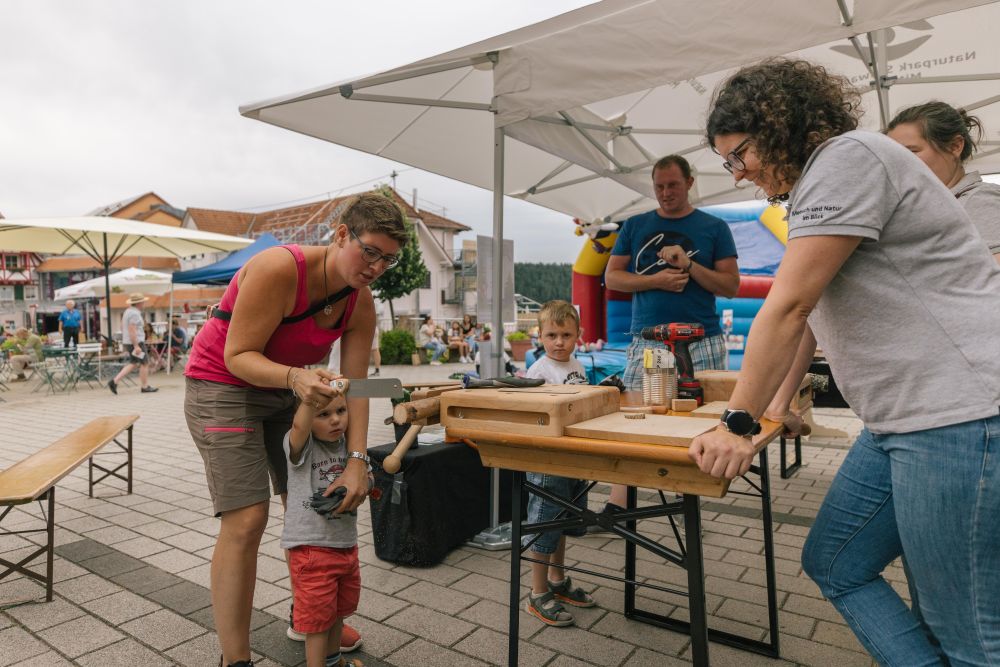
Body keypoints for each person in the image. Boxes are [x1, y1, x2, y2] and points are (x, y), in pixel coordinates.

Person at [691, 58, 1000, 665]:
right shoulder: (822, 185)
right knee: (835, 560)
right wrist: (776, 409)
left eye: (741, 153)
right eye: (727, 162)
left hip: (954, 414)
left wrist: (737, 421)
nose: (739, 171)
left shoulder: (848, 158)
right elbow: (811, 311)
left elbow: (788, 305)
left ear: (782, 125)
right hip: (898, 420)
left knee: (967, 632)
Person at [183, 193, 407, 667]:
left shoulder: (359, 302)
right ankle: (235, 658)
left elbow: (359, 386)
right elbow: (238, 355)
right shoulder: (279, 269)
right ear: (342, 234)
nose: (377, 266)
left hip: (291, 388)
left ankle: (311, 616)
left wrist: (356, 462)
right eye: (370, 251)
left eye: (389, 258)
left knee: (315, 506)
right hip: (223, 384)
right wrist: (293, 376)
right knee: (247, 519)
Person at [602, 154, 740, 514]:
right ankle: (620, 502)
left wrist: (690, 265)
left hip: (702, 339)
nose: (665, 193)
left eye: (673, 185)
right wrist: (656, 280)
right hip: (647, 339)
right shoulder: (634, 225)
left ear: (690, 183)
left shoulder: (714, 227)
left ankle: (689, 497)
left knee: (701, 416)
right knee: (634, 415)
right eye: (660, 186)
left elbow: (730, 285)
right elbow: (612, 278)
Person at [522, 300, 594, 626]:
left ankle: (556, 580)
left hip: (571, 457)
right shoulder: (539, 372)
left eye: (566, 334)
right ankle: (537, 594)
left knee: (562, 520)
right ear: (540, 336)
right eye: (552, 335)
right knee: (545, 524)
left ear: (578, 334)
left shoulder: (577, 366)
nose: (559, 342)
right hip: (547, 459)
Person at [283, 391, 366, 667]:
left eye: (341, 411)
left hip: (345, 545)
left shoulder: (348, 447)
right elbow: (298, 427)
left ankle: (334, 661)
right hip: (312, 550)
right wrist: (308, 400)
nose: (335, 420)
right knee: (317, 622)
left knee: (337, 613)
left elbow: (364, 478)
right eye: (323, 414)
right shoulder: (301, 447)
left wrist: (367, 484)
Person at [887, 100, 1000, 262]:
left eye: (911, 151)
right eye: (892, 155)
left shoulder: (980, 200)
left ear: (955, 146)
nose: (899, 162)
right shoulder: (930, 206)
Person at [107, 293, 158, 394]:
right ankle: (144, 386)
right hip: (136, 341)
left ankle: (114, 381)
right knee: (145, 363)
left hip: (129, 341)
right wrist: (136, 346)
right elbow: (132, 330)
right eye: (143, 302)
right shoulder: (134, 314)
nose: (144, 303)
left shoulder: (127, 311)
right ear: (139, 303)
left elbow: (122, 327)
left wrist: (128, 340)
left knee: (133, 363)